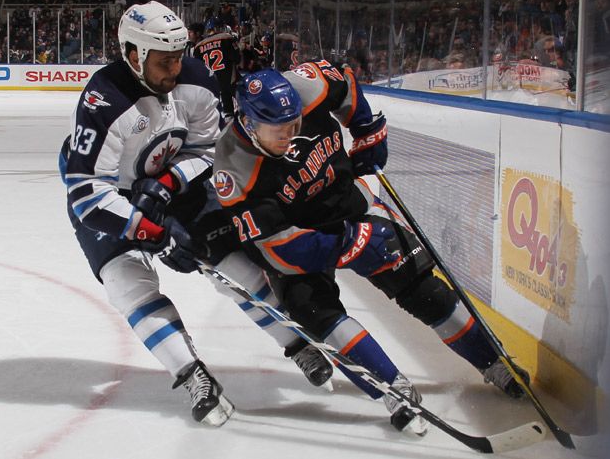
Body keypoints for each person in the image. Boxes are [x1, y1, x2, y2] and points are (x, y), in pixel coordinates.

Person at [58, 1, 332, 429]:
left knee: (230, 263)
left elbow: (207, 149)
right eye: (164, 60)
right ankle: (192, 375)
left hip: (170, 183)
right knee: (125, 281)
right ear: (134, 54)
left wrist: (168, 185)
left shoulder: (197, 79)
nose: (175, 69)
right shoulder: (103, 99)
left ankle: (298, 345)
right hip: (111, 195)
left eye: (178, 56)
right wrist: (151, 232)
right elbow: (86, 193)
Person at [213, 63, 531, 431]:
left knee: (421, 285)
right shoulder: (232, 166)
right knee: (311, 310)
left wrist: (366, 130)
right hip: (298, 236)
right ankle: (392, 390)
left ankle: (494, 362)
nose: (290, 134)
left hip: (347, 201)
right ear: (249, 124)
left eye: (295, 124)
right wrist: (350, 243)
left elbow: (345, 80)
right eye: (278, 129)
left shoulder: (305, 84)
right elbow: (276, 249)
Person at [195, 16, 240, 121]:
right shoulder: (227, 38)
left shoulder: (198, 47)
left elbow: (199, 67)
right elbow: (236, 58)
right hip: (229, 78)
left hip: (210, 83)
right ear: (216, 28)